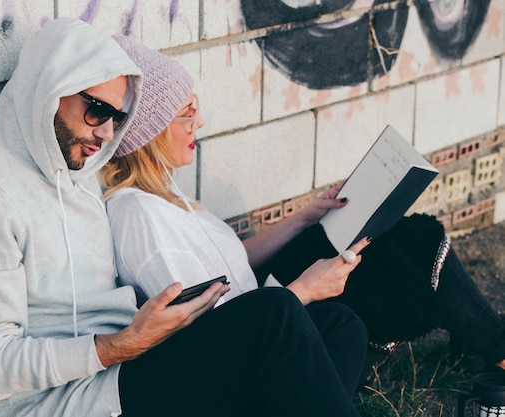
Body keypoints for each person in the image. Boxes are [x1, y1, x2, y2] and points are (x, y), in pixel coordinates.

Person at [0, 18, 367, 417]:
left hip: (123, 370)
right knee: (274, 315)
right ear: (47, 89)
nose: (107, 132)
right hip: (68, 403)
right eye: (96, 111)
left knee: (337, 324)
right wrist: (119, 346)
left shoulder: (80, 174)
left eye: (119, 117)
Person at [101, 35, 505, 380]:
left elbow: (227, 264)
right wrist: (305, 291)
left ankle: (481, 341)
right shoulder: (139, 215)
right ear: (148, 132)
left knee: (395, 235)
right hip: (267, 346)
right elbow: (212, 334)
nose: (200, 123)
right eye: (185, 115)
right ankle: (491, 346)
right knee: (415, 247)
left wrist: (303, 219)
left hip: (267, 302)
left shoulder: (164, 193)